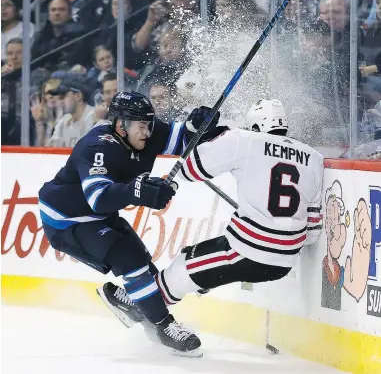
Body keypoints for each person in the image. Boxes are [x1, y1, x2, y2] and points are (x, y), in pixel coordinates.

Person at [102, 99, 324, 341]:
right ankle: (189, 287)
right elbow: (312, 231)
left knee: (184, 265)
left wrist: (204, 137)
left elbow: (190, 170)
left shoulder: (243, 140)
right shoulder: (313, 158)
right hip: (285, 261)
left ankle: (138, 305)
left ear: (256, 126)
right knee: (208, 256)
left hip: (248, 253)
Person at [38, 91, 221, 357]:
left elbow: (182, 140)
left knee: (143, 264)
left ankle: (125, 300)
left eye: (149, 124)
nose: (147, 132)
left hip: (99, 215)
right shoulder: (96, 147)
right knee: (128, 259)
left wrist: (197, 126)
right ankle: (164, 327)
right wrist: (139, 191)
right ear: (120, 125)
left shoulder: (145, 130)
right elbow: (98, 199)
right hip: (67, 220)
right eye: (141, 126)